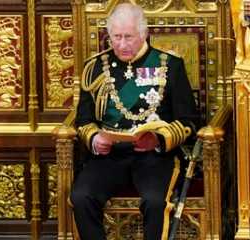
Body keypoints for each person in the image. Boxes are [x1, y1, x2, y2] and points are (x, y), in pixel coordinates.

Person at [70, 3, 199, 240]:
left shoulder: (169, 65)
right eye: (116, 37)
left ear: (144, 33)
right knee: (81, 196)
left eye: (128, 37)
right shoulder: (95, 68)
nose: (121, 44)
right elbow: (83, 120)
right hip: (109, 156)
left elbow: (189, 121)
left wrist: (158, 139)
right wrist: (95, 139)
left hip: (154, 157)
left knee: (154, 202)